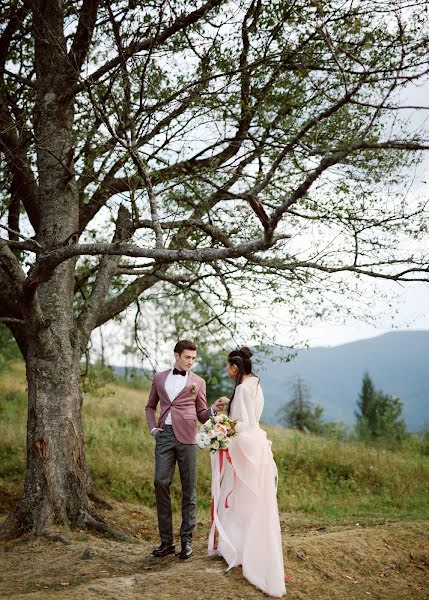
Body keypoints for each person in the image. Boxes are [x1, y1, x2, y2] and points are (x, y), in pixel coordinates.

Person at [209, 347, 286, 597]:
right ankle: (246, 545)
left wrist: (222, 428)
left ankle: (237, 548)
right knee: (252, 499)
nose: (226, 370)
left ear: (235, 367)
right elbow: (253, 415)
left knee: (239, 496)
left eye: (227, 367)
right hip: (258, 447)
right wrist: (229, 405)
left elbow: (244, 423)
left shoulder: (242, 388)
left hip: (244, 448)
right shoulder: (254, 383)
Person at [145, 339, 224, 560]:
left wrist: (213, 410)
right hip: (164, 437)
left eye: (193, 358)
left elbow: (201, 414)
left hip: (188, 438)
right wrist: (153, 429)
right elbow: (150, 406)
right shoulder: (160, 377)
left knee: (189, 490)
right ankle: (166, 542)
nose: (190, 361)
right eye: (187, 357)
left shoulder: (198, 382)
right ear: (176, 355)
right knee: (160, 482)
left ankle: (186, 542)